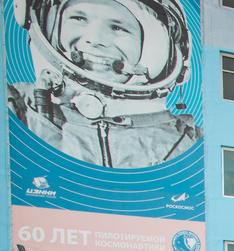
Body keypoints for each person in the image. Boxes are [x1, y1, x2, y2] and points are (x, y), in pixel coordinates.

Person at [7, 0, 202, 168]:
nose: (94, 39)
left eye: (117, 27)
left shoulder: (188, 144)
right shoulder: (17, 109)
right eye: (79, 18)